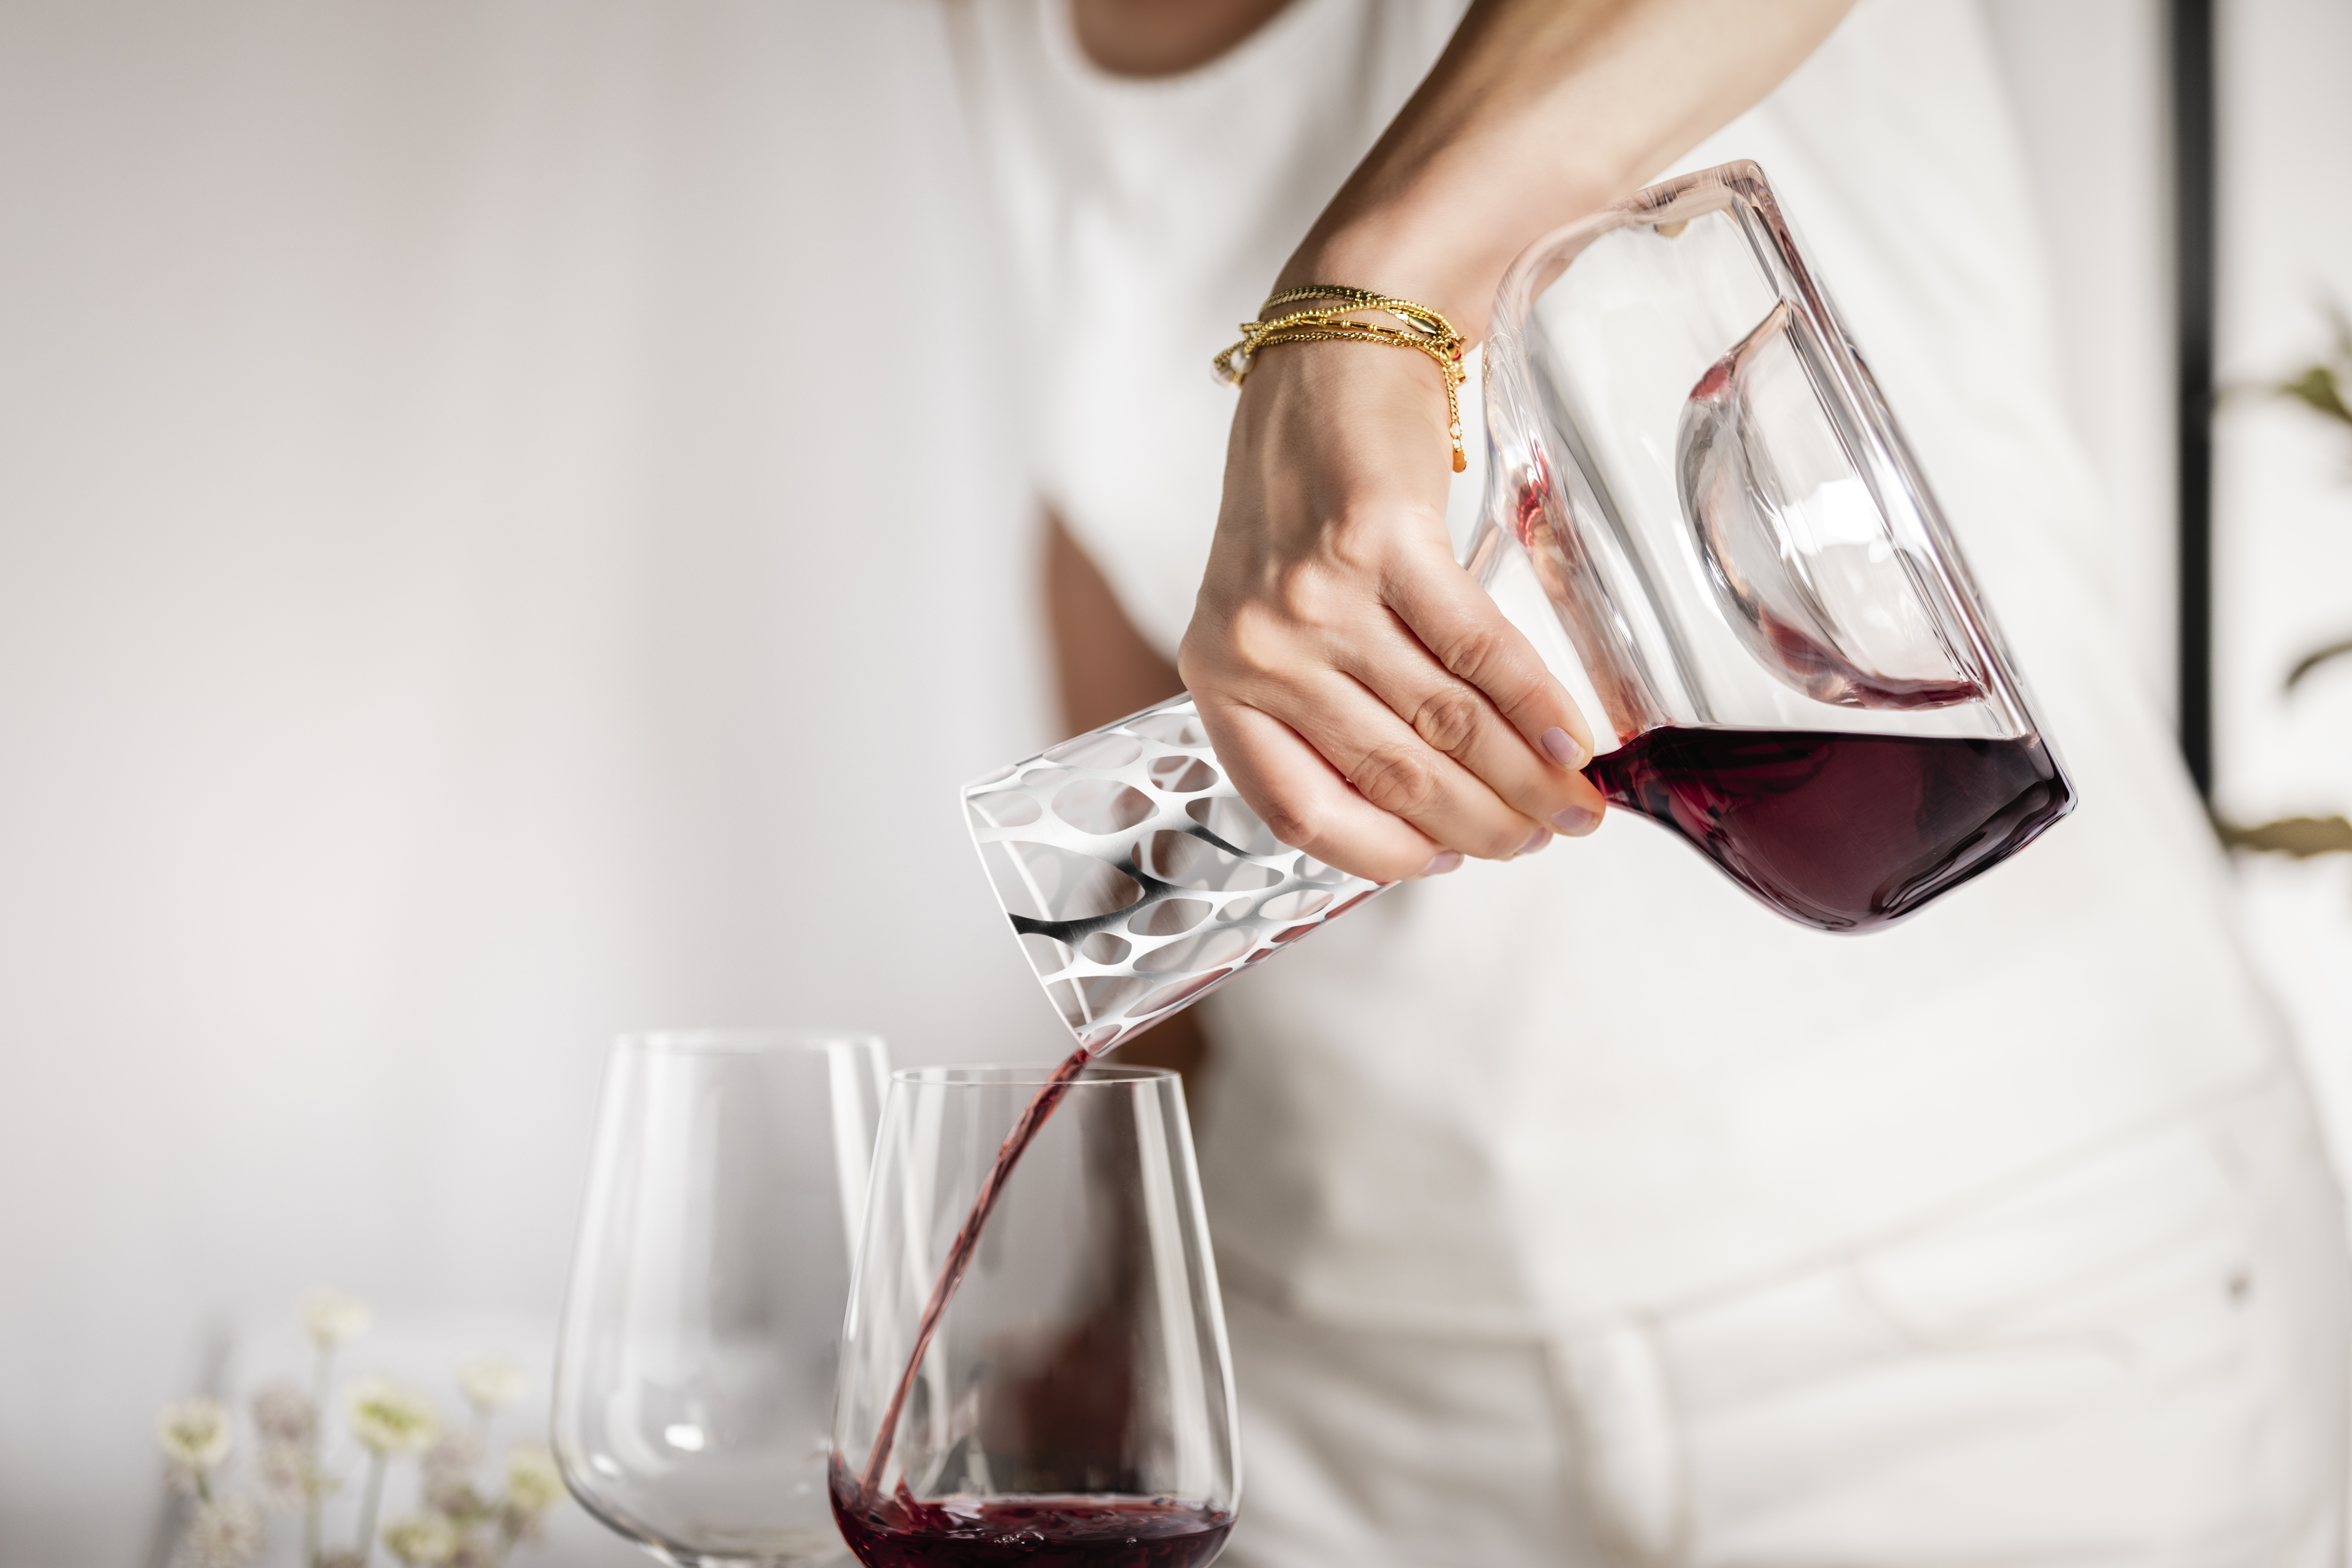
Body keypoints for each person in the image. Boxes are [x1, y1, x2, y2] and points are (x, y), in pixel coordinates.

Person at [946, 1, 2352, 1562]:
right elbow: (1119, 518)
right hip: (1329, 1368)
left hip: (1990, 1311)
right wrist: (1133, 1256)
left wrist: (1363, 302)